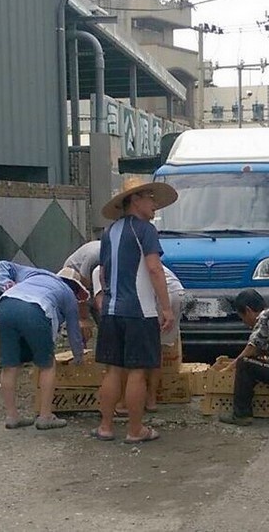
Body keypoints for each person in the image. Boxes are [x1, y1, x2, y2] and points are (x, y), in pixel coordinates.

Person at [92, 176, 178, 444]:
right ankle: (135, 429)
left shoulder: (109, 232)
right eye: (150, 198)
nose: (155, 204)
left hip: (111, 311)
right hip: (139, 311)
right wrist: (166, 308)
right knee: (138, 371)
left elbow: (103, 272)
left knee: (113, 370)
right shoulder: (145, 231)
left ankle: (106, 426)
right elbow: (154, 269)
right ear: (135, 200)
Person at [0, 261, 89, 430]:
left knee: (10, 365)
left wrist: (5, 283)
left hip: (5, 305)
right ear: (76, 287)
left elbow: (2, 264)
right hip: (35, 310)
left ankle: (12, 416)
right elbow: (74, 334)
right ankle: (45, 416)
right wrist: (79, 358)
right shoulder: (68, 294)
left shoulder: (35, 274)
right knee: (47, 364)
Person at [91, 264, 184, 414]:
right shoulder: (136, 258)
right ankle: (151, 400)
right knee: (157, 346)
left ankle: (123, 403)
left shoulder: (99, 270)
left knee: (127, 353)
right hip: (176, 291)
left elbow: (102, 305)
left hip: (156, 296)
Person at [218, 289, 269, 426]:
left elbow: (250, 349)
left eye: (243, 318)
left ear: (248, 310)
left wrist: (228, 368)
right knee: (256, 362)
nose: (245, 323)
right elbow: (261, 349)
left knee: (244, 364)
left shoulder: (264, 317)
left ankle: (241, 414)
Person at [63, 240, 101, 336]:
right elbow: (83, 287)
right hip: (74, 272)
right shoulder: (93, 256)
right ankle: (73, 332)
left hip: (93, 273)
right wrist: (84, 318)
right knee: (83, 303)